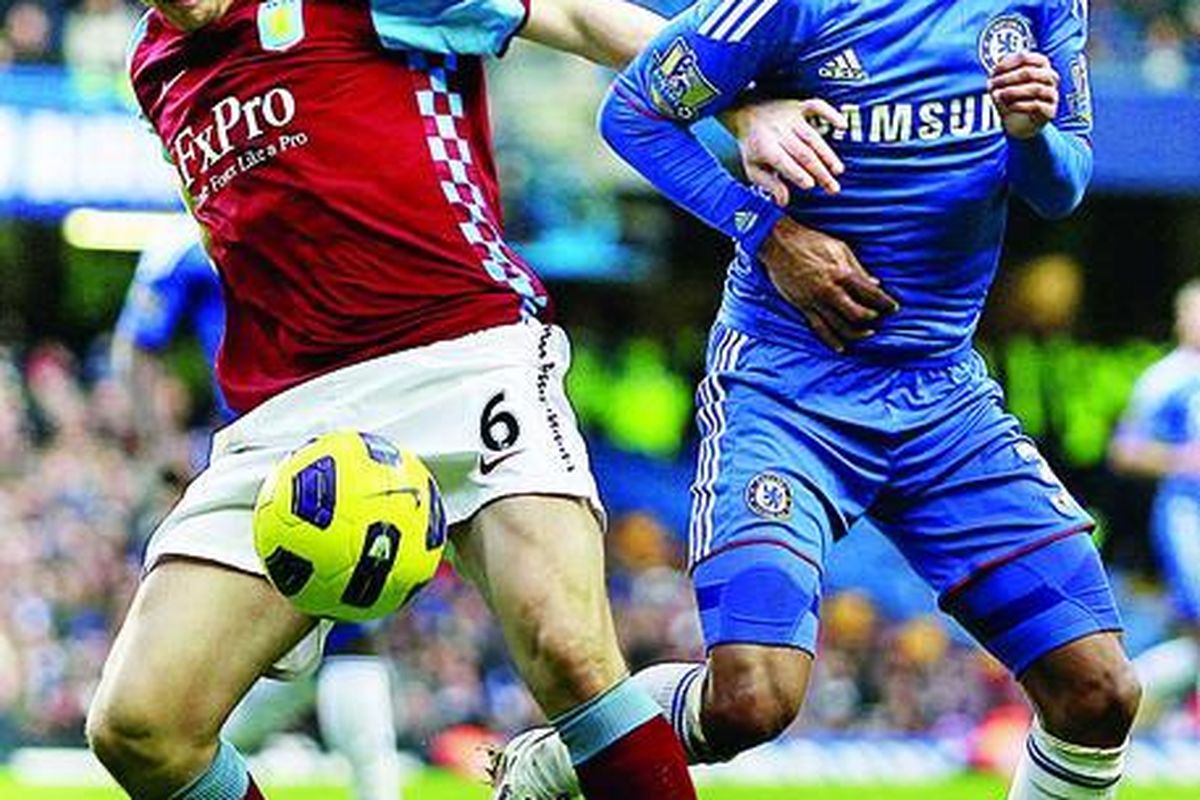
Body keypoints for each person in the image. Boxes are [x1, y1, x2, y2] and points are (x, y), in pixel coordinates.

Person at [85, 2, 831, 799]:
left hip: (462, 356)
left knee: (569, 652)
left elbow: (575, 18)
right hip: (287, 420)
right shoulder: (152, 65)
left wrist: (743, 105)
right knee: (139, 726)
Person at [491, 1, 1143, 799]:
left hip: (943, 395)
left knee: (1099, 693)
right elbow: (634, 113)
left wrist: (1029, 133)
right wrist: (770, 235)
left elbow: (1061, 186)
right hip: (788, 388)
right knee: (750, 701)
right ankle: (563, 757)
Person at [112, 220, 403, 800]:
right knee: (345, 615)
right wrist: (163, 448)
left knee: (325, 625)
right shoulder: (183, 243)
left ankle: (187, 749)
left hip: (343, 432)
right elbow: (137, 348)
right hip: (262, 449)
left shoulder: (305, 214)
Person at [1110, 280, 1200, 727]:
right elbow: (1125, 450)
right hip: (1188, 510)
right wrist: (1180, 460)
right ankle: (1149, 708)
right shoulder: (1165, 378)